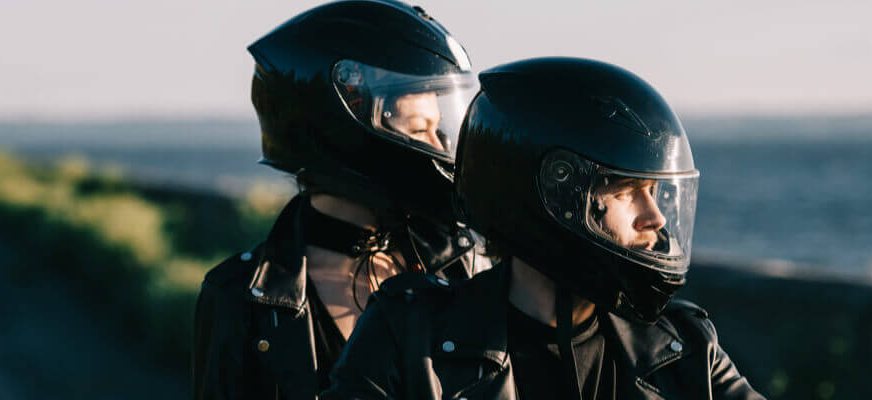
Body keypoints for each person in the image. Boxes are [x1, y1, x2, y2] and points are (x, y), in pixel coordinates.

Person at [322, 57, 765, 399]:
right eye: (628, 191)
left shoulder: (685, 350)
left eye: (654, 191)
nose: (656, 217)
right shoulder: (407, 334)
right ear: (555, 195)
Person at [191, 1, 489, 399]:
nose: (440, 148)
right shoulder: (237, 298)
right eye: (420, 129)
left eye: (442, 131)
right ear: (344, 130)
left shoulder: (467, 269)